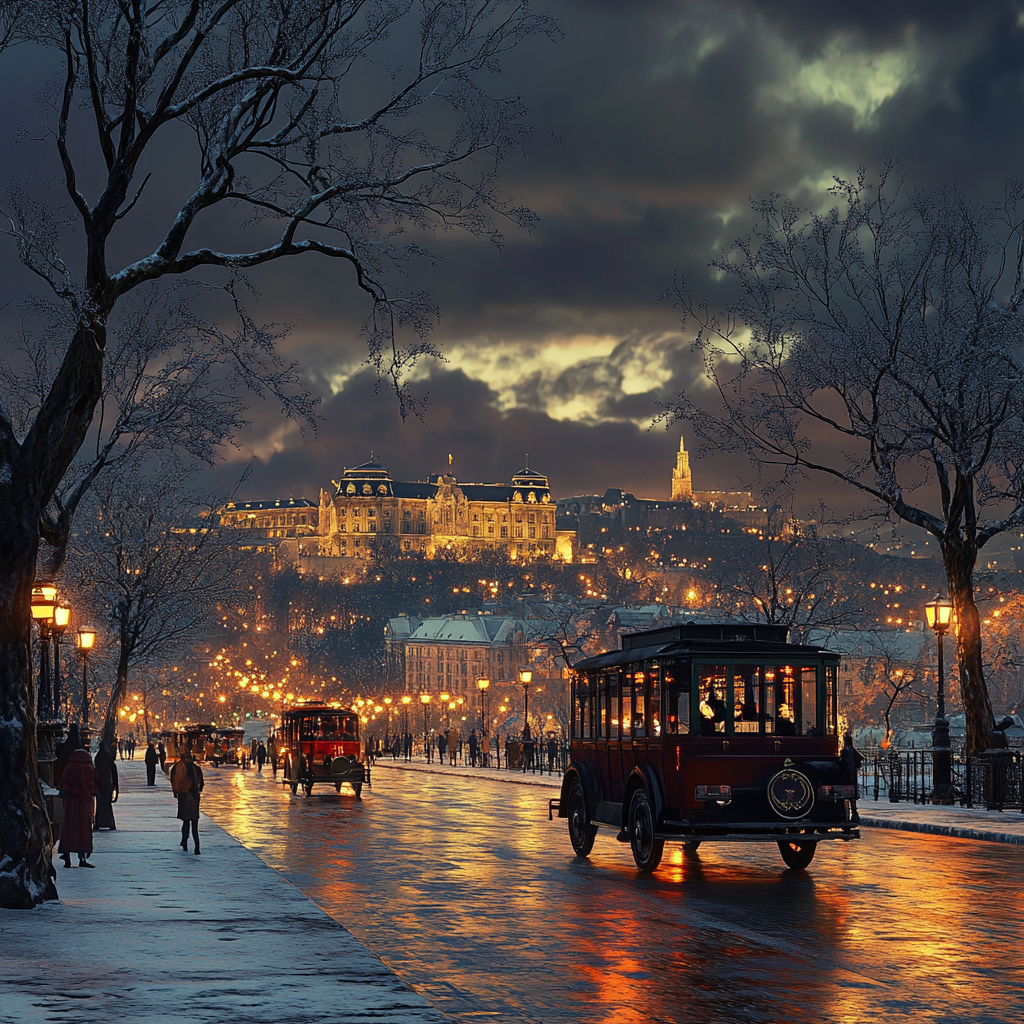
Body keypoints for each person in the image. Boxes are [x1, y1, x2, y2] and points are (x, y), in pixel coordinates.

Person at [56, 741, 99, 868]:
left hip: (71, 804)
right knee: (84, 829)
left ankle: (67, 858)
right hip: (85, 804)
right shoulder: (89, 769)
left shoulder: (69, 768)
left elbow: (63, 785)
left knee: (69, 828)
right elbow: (94, 788)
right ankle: (82, 858)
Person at [170, 751, 204, 854]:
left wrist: (176, 792)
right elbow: (201, 785)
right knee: (194, 823)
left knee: (186, 821)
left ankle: (184, 842)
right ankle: (196, 847)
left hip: (184, 796)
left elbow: (174, 781)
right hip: (194, 797)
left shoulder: (177, 767)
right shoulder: (196, 769)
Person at [839, 732, 864, 824]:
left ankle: (845, 814)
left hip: (846, 776)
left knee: (844, 795)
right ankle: (854, 814)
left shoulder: (845, 751)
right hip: (852, 776)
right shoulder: (853, 751)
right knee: (852, 796)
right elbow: (859, 763)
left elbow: (842, 763)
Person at [93, 740, 118, 831]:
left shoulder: (97, 757)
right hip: (108, 784)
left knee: (100, 804)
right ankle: (110, 823)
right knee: (107, 804)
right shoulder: (108, 757)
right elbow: (114, 772)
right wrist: (115, 786)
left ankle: (99, 823)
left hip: (99, 784)